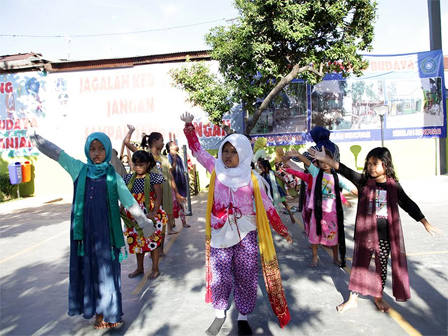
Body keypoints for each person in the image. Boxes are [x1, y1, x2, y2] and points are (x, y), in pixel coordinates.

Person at [28, 127, 156, 330]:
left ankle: (111, 312)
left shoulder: (113, 176)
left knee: (107, 273)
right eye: (93, 149)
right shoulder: (78, 169)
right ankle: (99, 314)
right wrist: (39, 142)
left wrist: (143, 221)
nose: (97, 153)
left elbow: (129, 201)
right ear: (87, 151)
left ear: (107, 151)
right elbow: (59, 154)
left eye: (101, 149)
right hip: (85, 236)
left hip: (107, 234)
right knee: (91, 272)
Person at [180, 112, 292, 336]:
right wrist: (189, 127)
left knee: (247, 276)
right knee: (221, 275)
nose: (229, 155)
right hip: (220, 233)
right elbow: (197, 151)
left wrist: (282, 229)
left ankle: (243, 316)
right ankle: (220, 314)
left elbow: (268, 206)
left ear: (243, 154)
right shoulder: (215, 170)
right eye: (225, 150)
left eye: (234, 152)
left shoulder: (253, 179)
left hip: (247, 234)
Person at [309, 146, 443, 313]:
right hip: (365, 235)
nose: (371, 167)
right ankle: (353, 299)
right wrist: (327, 159)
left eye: (375, 163)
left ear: (386, 164)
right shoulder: (364, 182)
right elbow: (344, 170)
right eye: (369, 163)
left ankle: (378, 297)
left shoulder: (393, 186)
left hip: (385, 236)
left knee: (380, 268)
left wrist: (424, 222)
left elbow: (408, 204)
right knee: (360, 266)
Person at [285, 149, 356, 268]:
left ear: (332, 161)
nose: (325, 163)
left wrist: (365, 194)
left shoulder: (337, 177)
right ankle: (314, 256)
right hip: (317, 214)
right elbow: (308, 163)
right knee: (314, 236)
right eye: (321, 161)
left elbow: (350, 189)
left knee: (334, 237)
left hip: (332, 214)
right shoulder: (316, 173)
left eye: (327, 160)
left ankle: (335, 257)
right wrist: (298, 155)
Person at [124, 125, 182, 246]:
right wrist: (131, 131)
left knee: (163, 219)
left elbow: (170, 176)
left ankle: (159, 249)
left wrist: (176, 193)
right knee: (152, 219)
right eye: (161, 140)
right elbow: (126, 143)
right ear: (155, 141)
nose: (163, 143)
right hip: (150, 196)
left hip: (164, 193)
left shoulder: (163, 158)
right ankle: (152, 247)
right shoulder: (145, 155)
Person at [121, 150, 168, 280]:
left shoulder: (154, 178)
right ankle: (140, 267)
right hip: (134, 216)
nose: (137, 167)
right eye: (135, 164)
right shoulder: (128, 179)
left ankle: (155, 268)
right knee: (137, 242)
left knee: (153, 242)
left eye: (141, 164)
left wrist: (154, 211)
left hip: (150, 215)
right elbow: (125, 196)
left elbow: (159, 196)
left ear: (148, 164)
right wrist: (122, 209)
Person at [258, 159, 296, 224]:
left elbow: (280, 177)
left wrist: (286, 182)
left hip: (277, 190)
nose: (260, 169)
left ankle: (291, 215)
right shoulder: (262, 174)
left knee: (285, 203)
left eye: (261, 167)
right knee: (271, 206)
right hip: (270, 193)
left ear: (266, 167)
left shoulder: (272, 172)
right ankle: (273, 220)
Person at [165, 141, 190, 228]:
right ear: (170, 147)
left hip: (180, 183)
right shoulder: (168, 158)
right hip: (173, 184)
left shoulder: (178, 156)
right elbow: (170, 171)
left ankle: (183, 222)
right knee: (173, 204)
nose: (177, 145)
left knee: (182, 204)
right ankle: (172, 223)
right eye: (174, 144)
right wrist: (174, 161)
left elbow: (183, 169)